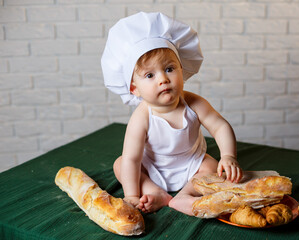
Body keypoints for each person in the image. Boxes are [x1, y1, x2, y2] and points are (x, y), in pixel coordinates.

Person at [101, 12, 242, 216]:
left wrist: (228, 156)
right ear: (134, 88)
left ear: (181, 70)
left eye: (169, 69)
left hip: (191, 165)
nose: (163, 79)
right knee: (121, 164)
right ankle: (154, 191)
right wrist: (131, 195)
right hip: (153, 168)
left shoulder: (193, 103)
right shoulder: (141, 117)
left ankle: (184, 195)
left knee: (212, 166)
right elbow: (133, 159)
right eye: (150, 75)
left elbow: (220, 126)